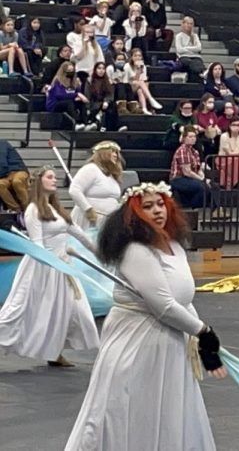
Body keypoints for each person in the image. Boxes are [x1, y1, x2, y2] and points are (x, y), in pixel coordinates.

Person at [65, 181, 226, 450]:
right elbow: (162, 305)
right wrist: (203, 331)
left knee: (166, 411)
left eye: (160, 204)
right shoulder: (135, 250)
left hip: (168, 341)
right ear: (134, 214)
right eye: (148, 206)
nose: (157, 211)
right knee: (131, 409)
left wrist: (199, 339)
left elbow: (182, 299)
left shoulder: (173, 244)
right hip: (138, 341)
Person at [0, 166, 99, 367]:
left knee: (71, 309)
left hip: (63, 268)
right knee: (19, 310)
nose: (55, 180)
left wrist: (101, 252)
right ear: (39, 181)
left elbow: (78, 233)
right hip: (42, 267)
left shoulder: (57, 209)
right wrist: (52, 260)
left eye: (55, 177)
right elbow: (37, 243)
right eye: (50, 177)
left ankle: (55, 351)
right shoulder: (34, 210)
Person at [169, 126, 226, 218]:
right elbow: (186, 171)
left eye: (194, 137)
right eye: (190, 137)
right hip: (179, 179)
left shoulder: (195, 152)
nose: (192, 139)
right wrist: (203, 180)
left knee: (214, 185)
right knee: (202, 187)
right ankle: (195, 209)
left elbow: (198, 169)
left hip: (191, 178)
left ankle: (216, 209)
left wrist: (205, 179)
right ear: (184, 138)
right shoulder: (182, 151)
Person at [69, 140, 123, 230]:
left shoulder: (112, 176)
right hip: (89, 220)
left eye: (117, 153)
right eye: (112, 152)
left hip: (106, 222)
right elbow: (74, 190)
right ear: (103, 153)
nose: (116, 155)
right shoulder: (91, 169)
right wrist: (88, 209)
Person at [46, 61, 90, 130]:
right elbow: (60, 95)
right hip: (55, 104)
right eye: (69, 71)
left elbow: (76, 93)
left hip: (69, 102)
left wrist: (78, 95)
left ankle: (85, 123)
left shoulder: (75, 81)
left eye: (72, 71)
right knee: (69, 103)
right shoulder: (57, 80)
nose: (71, 73)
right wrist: (76, 94)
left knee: (81, 103)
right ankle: (75, 123)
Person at [86, 61, 125, 132]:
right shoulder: (90, 81)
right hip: (94, 104)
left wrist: (106, 101)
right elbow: (87, 96)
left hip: (105, 103)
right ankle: (112, 127)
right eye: (99, 68)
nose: (101, 70)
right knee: (110, 107)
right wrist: (88, 108)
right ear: (95, 70)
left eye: (103, 69)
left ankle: (112, 127)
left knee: (112, 105)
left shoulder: (107, 81)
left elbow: (110, 94)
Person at [124, 48, 162, 115]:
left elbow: (144, 79)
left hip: (139, 86)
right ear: (132, 57)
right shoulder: (127, 66)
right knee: (140, 83)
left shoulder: (143, 66)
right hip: (128, 87)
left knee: (140, 90)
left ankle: (144, 108)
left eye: (139, 56)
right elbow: (127, 81)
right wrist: (138, 70)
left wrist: (140, 69)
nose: (137, 57)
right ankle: (151, 99)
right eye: (135, 56)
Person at [0, 138, 28, 211]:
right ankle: (16, 209)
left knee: (17, 182)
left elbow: (2, 165)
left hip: (18, 170)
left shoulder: (2, 144)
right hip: (5, 176)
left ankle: (28, 209)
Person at [175, 16, 203, 83]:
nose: (189, 25)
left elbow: (199, 48)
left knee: (197, 64)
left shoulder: (195, 36)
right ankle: (200, 75)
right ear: (183, 24)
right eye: (188, 23)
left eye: (191, 24)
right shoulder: (179, 36)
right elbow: (179, 50)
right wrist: (193, 49)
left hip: (196, 57)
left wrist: (186, 48)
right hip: (183, 57)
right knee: (192, 65)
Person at [193, 93, 221, 157]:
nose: (212, 104)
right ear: (204, 103)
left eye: (213, 102)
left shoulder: (212, 114)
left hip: (212, 135)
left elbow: (215, 125)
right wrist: (204, 129)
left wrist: (217, 129)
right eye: (210, 102)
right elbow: (195, 125)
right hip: (201, 135)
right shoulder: (197, 113)